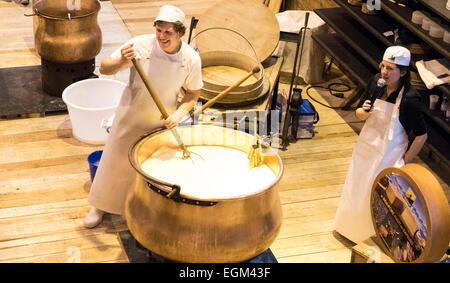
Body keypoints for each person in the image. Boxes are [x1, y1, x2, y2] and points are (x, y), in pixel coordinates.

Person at [84, 5, 203, 228]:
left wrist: (179, 113)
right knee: (113, 162)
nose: (161, 36)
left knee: (148, 168)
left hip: (159, 120)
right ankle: (98, 205)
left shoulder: (190, 59)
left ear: (180, 33)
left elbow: (193, 93)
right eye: (159, 30)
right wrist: (121, 61)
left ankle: (137, 210)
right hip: (130, 113)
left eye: (168, 32)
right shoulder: (140, 45)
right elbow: (104, 68)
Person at [334, 46, 428, 244]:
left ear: (402, 72)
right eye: (383, 66)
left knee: (376, 195)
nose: (384, 72)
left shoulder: (410, 99)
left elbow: (421, 135)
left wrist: (405, 160)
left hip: (388, 155)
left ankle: (369, 237)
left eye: (390, 68)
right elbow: (359, 114)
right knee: (356, 186)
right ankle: (346, 228)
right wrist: (363, 112)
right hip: (365, 148)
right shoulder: (376, 82)